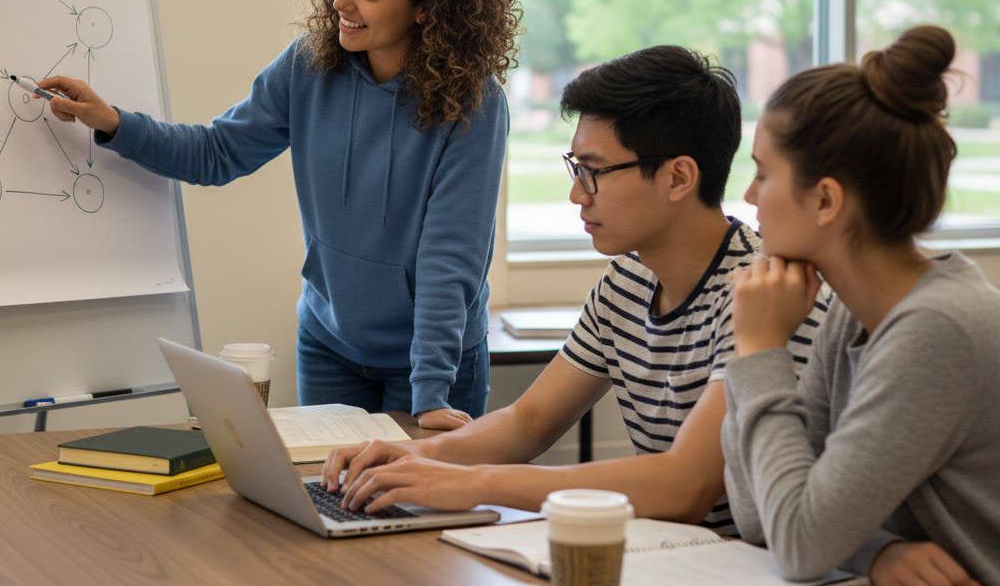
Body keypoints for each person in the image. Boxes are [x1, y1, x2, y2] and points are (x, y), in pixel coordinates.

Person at [40, 0, 521, 430]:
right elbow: (217, 152)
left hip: (434, 361)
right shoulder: (309, 67)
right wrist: (113, 122)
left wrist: (430, 393)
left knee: (414, 508)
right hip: (330, 344)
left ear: (426, 6)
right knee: (320, 499)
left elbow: (449, 259)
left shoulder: (473, 102)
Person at [320, 46, 826, 531]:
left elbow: (683, 487)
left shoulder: (769, 297)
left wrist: (472, 483)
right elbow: (531, 421)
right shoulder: (629, 279)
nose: (576, 194)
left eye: (595, 172)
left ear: (678, 177)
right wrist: (414, 455)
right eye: (575, 167)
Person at [722, 25, 1000, 585]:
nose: (751, 196)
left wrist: (759, 350)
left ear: (825, 200)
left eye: (762, 172)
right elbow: (761, 515)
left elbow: (799, 542)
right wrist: (875, 552)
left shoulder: (938, 329)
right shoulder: (853, 315)